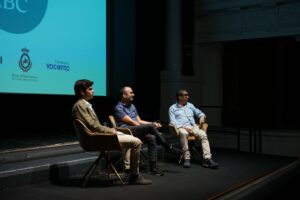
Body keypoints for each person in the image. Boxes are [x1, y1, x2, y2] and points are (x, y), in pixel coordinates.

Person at [71, 79, 152, 185]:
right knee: (136, 142)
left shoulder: (84, 104)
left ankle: (128, 170)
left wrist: (112, 131)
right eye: (90, 89)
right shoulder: (80, 105)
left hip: (98, 136)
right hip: (95, 139)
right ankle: (134, 176)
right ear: (82, 92)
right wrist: (111, 130)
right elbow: (93, 126)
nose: (93, 91)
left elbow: (94, 126)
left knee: (128, 135)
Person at [113, 86, 182, 176]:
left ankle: (153, 168)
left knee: (152, 137)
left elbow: (139, 121)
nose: (133, 94)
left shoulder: (132, 106)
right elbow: (131, 122)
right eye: (131, 93)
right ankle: (167, 147)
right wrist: (147, 128)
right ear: (124, 95)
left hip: (137, 130)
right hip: (126, 130)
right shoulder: (118, 108)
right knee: (149, 128)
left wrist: (152, 123)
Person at [168, 89, 219, 169]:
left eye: (187, 95)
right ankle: (187, 158)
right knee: (184, 133)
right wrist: (185, 127)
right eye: (186, 95)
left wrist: (202, 116)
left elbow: (198, 112)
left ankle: (208, 158)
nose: (188, 97)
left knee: (203, 134)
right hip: (181, 127)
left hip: (193, 126)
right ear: (180, 97)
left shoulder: (190, 105)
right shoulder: (173, 108)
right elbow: (172, 122)